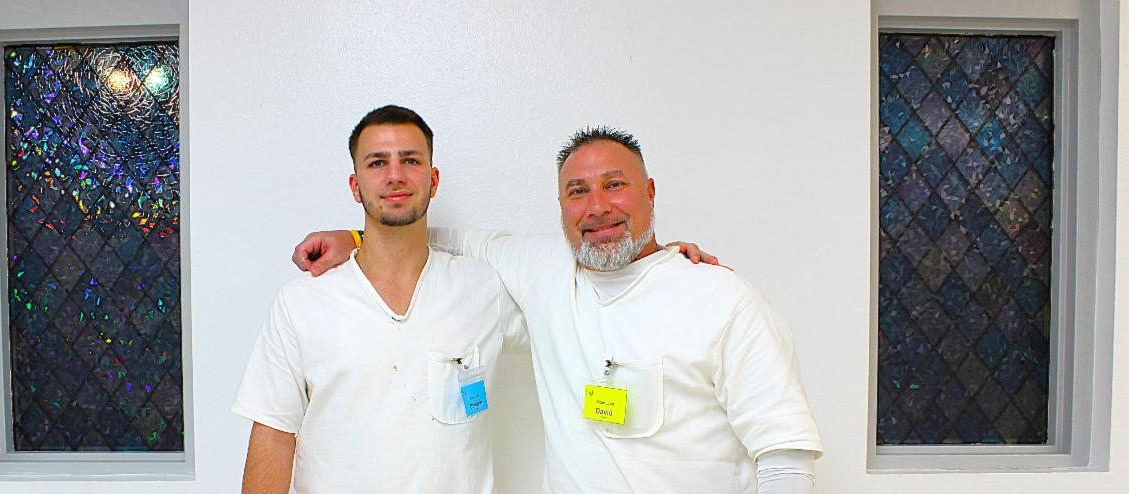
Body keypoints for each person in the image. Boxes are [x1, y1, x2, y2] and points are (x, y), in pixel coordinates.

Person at [293, 126, 823, 493]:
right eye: (577, 191)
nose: (598, 206)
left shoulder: (722, 300)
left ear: (650, 192)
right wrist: (358, 236)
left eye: (615, 185)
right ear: (561, 207)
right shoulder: (545, 270)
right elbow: (453, 240)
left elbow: (785, 457)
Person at [233, 105, 528, 494]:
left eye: (411, 160)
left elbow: (563, 322)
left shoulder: (484, 289)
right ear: (355, 186)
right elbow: (273, 435)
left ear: (433, 180)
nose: (395, 175)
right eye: (377, 163)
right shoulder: (302, 302)